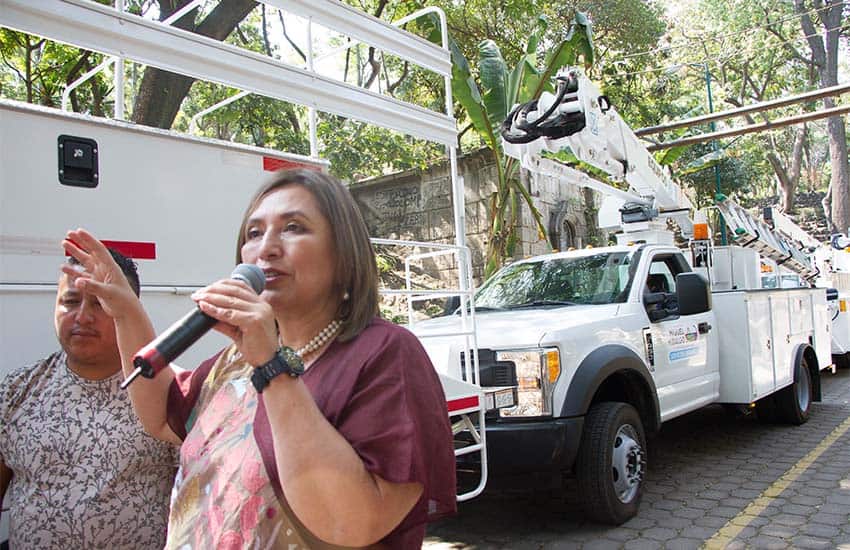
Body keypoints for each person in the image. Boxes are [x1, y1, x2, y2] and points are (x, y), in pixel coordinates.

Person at [62, 168, 457, 549]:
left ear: (344, 253)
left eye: (294, 227)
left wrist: (272, 365)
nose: (265, 248)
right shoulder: (237, 357)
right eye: (254, 233)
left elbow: (352, 522)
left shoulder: (385, 354)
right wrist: (125, 310)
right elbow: (161, 413)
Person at [0, 249, 178, 549]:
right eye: (70, 301)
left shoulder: (165, 391)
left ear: (127, 310)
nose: (82, 316)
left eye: (100, 303)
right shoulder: (17, 390)